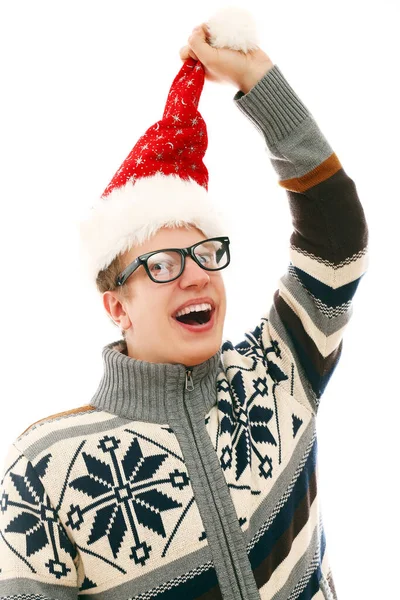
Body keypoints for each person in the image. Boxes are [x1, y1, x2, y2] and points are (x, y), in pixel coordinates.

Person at [0, 19, 368, 600]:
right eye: (163, 264)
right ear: (115, 306)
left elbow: (337, 241)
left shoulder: (279, 369)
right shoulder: (44, 466)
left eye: (204, 254)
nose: (196, 275)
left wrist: (258, 82)